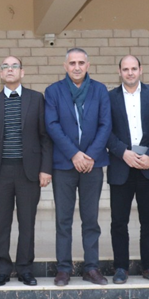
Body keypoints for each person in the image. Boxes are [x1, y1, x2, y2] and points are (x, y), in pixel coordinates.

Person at [0, 56, 53, 287]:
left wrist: (45, 169)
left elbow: (45, 138)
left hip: (28, 171)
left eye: (14, 66)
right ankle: (1, 269)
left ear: (22, 72)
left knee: (27, 222)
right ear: (0, 74)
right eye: (5, 67)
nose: (9, 70)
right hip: (0, 173)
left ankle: (25, 269)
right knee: (2, 223)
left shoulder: (36, 99)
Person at [44, 48, 112, 286]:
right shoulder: (53, 91)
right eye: (72, 63)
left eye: (81, 62)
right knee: (63, 219)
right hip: (64, 164)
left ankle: (91, 268)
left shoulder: (100, 90)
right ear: (65, 66)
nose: (76, 67)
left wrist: (90, 155)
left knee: (90, 218)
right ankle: (63, 269)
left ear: (88, 65)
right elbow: (52, 125)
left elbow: (106, 125)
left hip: (92, 164)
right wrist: (74, 154)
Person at [106, 55, 149, 284]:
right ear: (120, 71)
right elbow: (105, 130)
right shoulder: (109, 97)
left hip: (148, 167)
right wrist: (123, 152)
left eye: (134, 69)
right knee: (118, 222)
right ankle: (120, 267)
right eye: (126, 69)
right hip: (121, 166)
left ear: (141, 70)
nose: (130, 73)